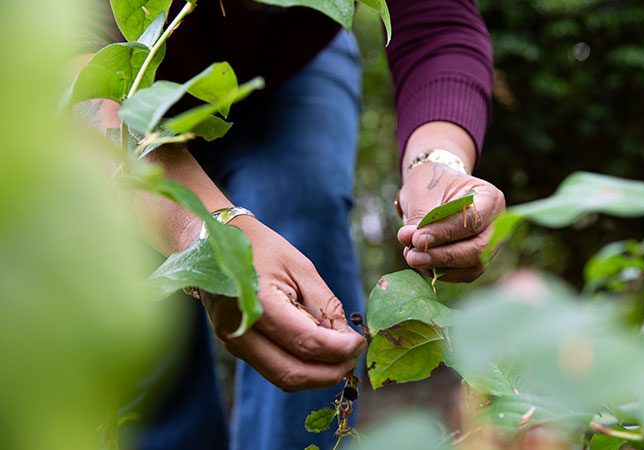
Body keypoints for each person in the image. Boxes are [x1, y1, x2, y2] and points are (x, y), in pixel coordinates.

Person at [85, 0, 505, 449]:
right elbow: (67, 81)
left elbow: (436, 22)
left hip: (295, 66)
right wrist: (209, 237)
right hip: (111, 84)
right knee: (149, 334)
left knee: (303, 212)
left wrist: (437, 162)